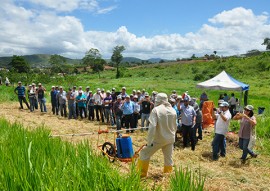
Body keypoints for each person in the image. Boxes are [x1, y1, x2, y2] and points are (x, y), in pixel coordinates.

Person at [137, 93, 177, 177]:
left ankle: (141, 175)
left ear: (158, 100)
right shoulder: (173, 110)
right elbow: (175, 126)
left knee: (144, 153)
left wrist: (149, 142)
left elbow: (152, 127)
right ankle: (168, 176)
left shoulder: (156, 110)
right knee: (168, 158)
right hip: (170, 139)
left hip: (159, 139)